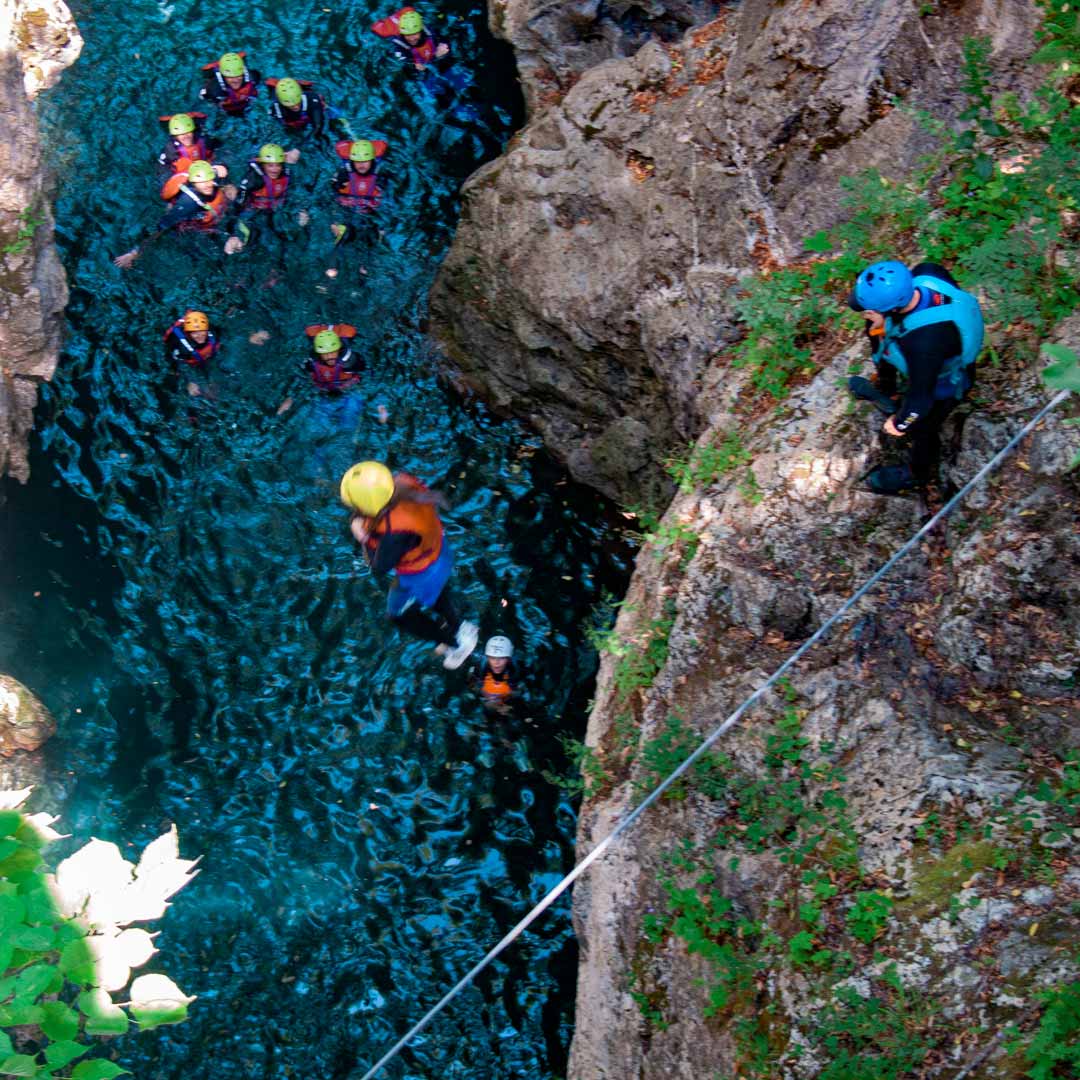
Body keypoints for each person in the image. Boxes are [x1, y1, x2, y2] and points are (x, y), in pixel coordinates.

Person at [847, 260, 983, 495]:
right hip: (928, 358)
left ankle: (917, 473)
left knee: (923, 427)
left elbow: (921, 401)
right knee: (878, 334)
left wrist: (899, 424)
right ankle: (889, 391)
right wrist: (881, 324)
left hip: (945, 380)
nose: (864, 313)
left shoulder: (923, 344)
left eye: (868, 310)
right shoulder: (927, 272)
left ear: (889, 308)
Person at [340, 461, 478, 668]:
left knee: (398, 615)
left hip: (423, 573)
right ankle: (459, 626)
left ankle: (456, 644)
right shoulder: (403, 482)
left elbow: (378, 567)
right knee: (437, 593)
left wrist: (362, 535)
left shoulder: (396, 533)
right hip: (439, 551)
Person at [113, 160, 236, 269]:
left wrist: (225, 174)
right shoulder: (189, 204)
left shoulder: (211, 178)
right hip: (192, 226)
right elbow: (161, 227)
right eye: (203, 182)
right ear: (194, 183)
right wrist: (134, 253)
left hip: (213, 216)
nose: (208, 184)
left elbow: (220, 171)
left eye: (209, 180)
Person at [227, 143, 304, 254]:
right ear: (263, 165)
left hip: (274, 207)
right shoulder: (254, 180)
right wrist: (232, 233)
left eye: (278, 165)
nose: (275, 169)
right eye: (270, 166)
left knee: (287, 236)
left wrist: (301, 210)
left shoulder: (286, 173)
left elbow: (293, 193)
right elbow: (237, 205)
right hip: (255, 209)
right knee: (253, 238)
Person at [277, 325, 364, 415]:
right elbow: (301, 378)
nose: (329, 357)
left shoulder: (350, 362)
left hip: (349, 392)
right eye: (325, 354)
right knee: (318, 420)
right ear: (319, 353)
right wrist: (290, 398)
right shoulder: (311, 362)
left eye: (333, 352)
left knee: (349, 421)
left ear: (338, 349)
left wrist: (345, 387)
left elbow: (365, 376)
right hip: (324, 393)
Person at [331, 138, 388, 244]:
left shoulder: (380, 176)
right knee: (342, 227)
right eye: (358, 162)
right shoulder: (344, 174)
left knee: (375, 233)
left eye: (365, 161)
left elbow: (387, 200)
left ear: (372, 160)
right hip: (348, 206)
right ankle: (339, 228)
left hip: (369, 209)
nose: (361, 165)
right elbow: (331, 195)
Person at [371, 8, 451, 71]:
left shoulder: (429, 29)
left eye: (415, 34)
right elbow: (404, 63)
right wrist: (433, 57)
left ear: (420, 30)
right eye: (407, 35)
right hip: (415, 61)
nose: (412, 38)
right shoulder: (397, 44)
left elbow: (443, 38)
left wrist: (443, 45)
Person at [163, 310, 220, 397]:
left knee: (214, 386)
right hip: (188, 361)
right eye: (194, 333)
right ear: (188, 334)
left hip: (202, 357)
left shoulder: (213, 331)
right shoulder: (182, 348)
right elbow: (173, 365)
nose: (199, 335)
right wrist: (189, 381)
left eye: (202, 331)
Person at [200, 51, 261, 116]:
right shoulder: (214, 89)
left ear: (243, 74)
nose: (235, 81)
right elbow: (206, 99)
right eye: (230, 77)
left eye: (238, 76)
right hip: (226, 103)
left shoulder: (253, 77)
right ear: (223, 76)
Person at [471, 635, 519, 711]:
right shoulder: (481, 666)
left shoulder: (515, 669)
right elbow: (472, 684)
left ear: (508, 659)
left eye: (501, 658)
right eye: (492, 658)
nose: (496, 663)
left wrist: (502, 698)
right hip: (487, 697)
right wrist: (484, 695)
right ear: (487, 657)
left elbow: (518, 690)